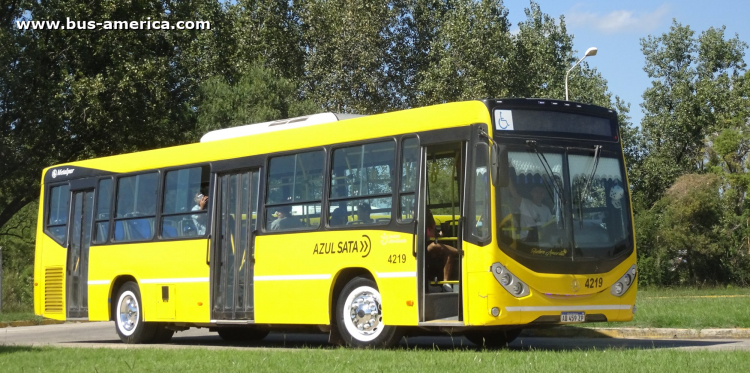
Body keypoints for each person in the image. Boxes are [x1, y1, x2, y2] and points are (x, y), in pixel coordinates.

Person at [426, 210, 459, 292]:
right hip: (426, 246)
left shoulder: (432, 225)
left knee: (449, 254)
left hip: (435, 245)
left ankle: (446, 283)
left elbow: (435, 235)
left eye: (430, 214)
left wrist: (441, 233)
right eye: (428, 214)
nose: (430, 216)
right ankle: (459, 252)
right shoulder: (421, 225)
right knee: (434, 246)